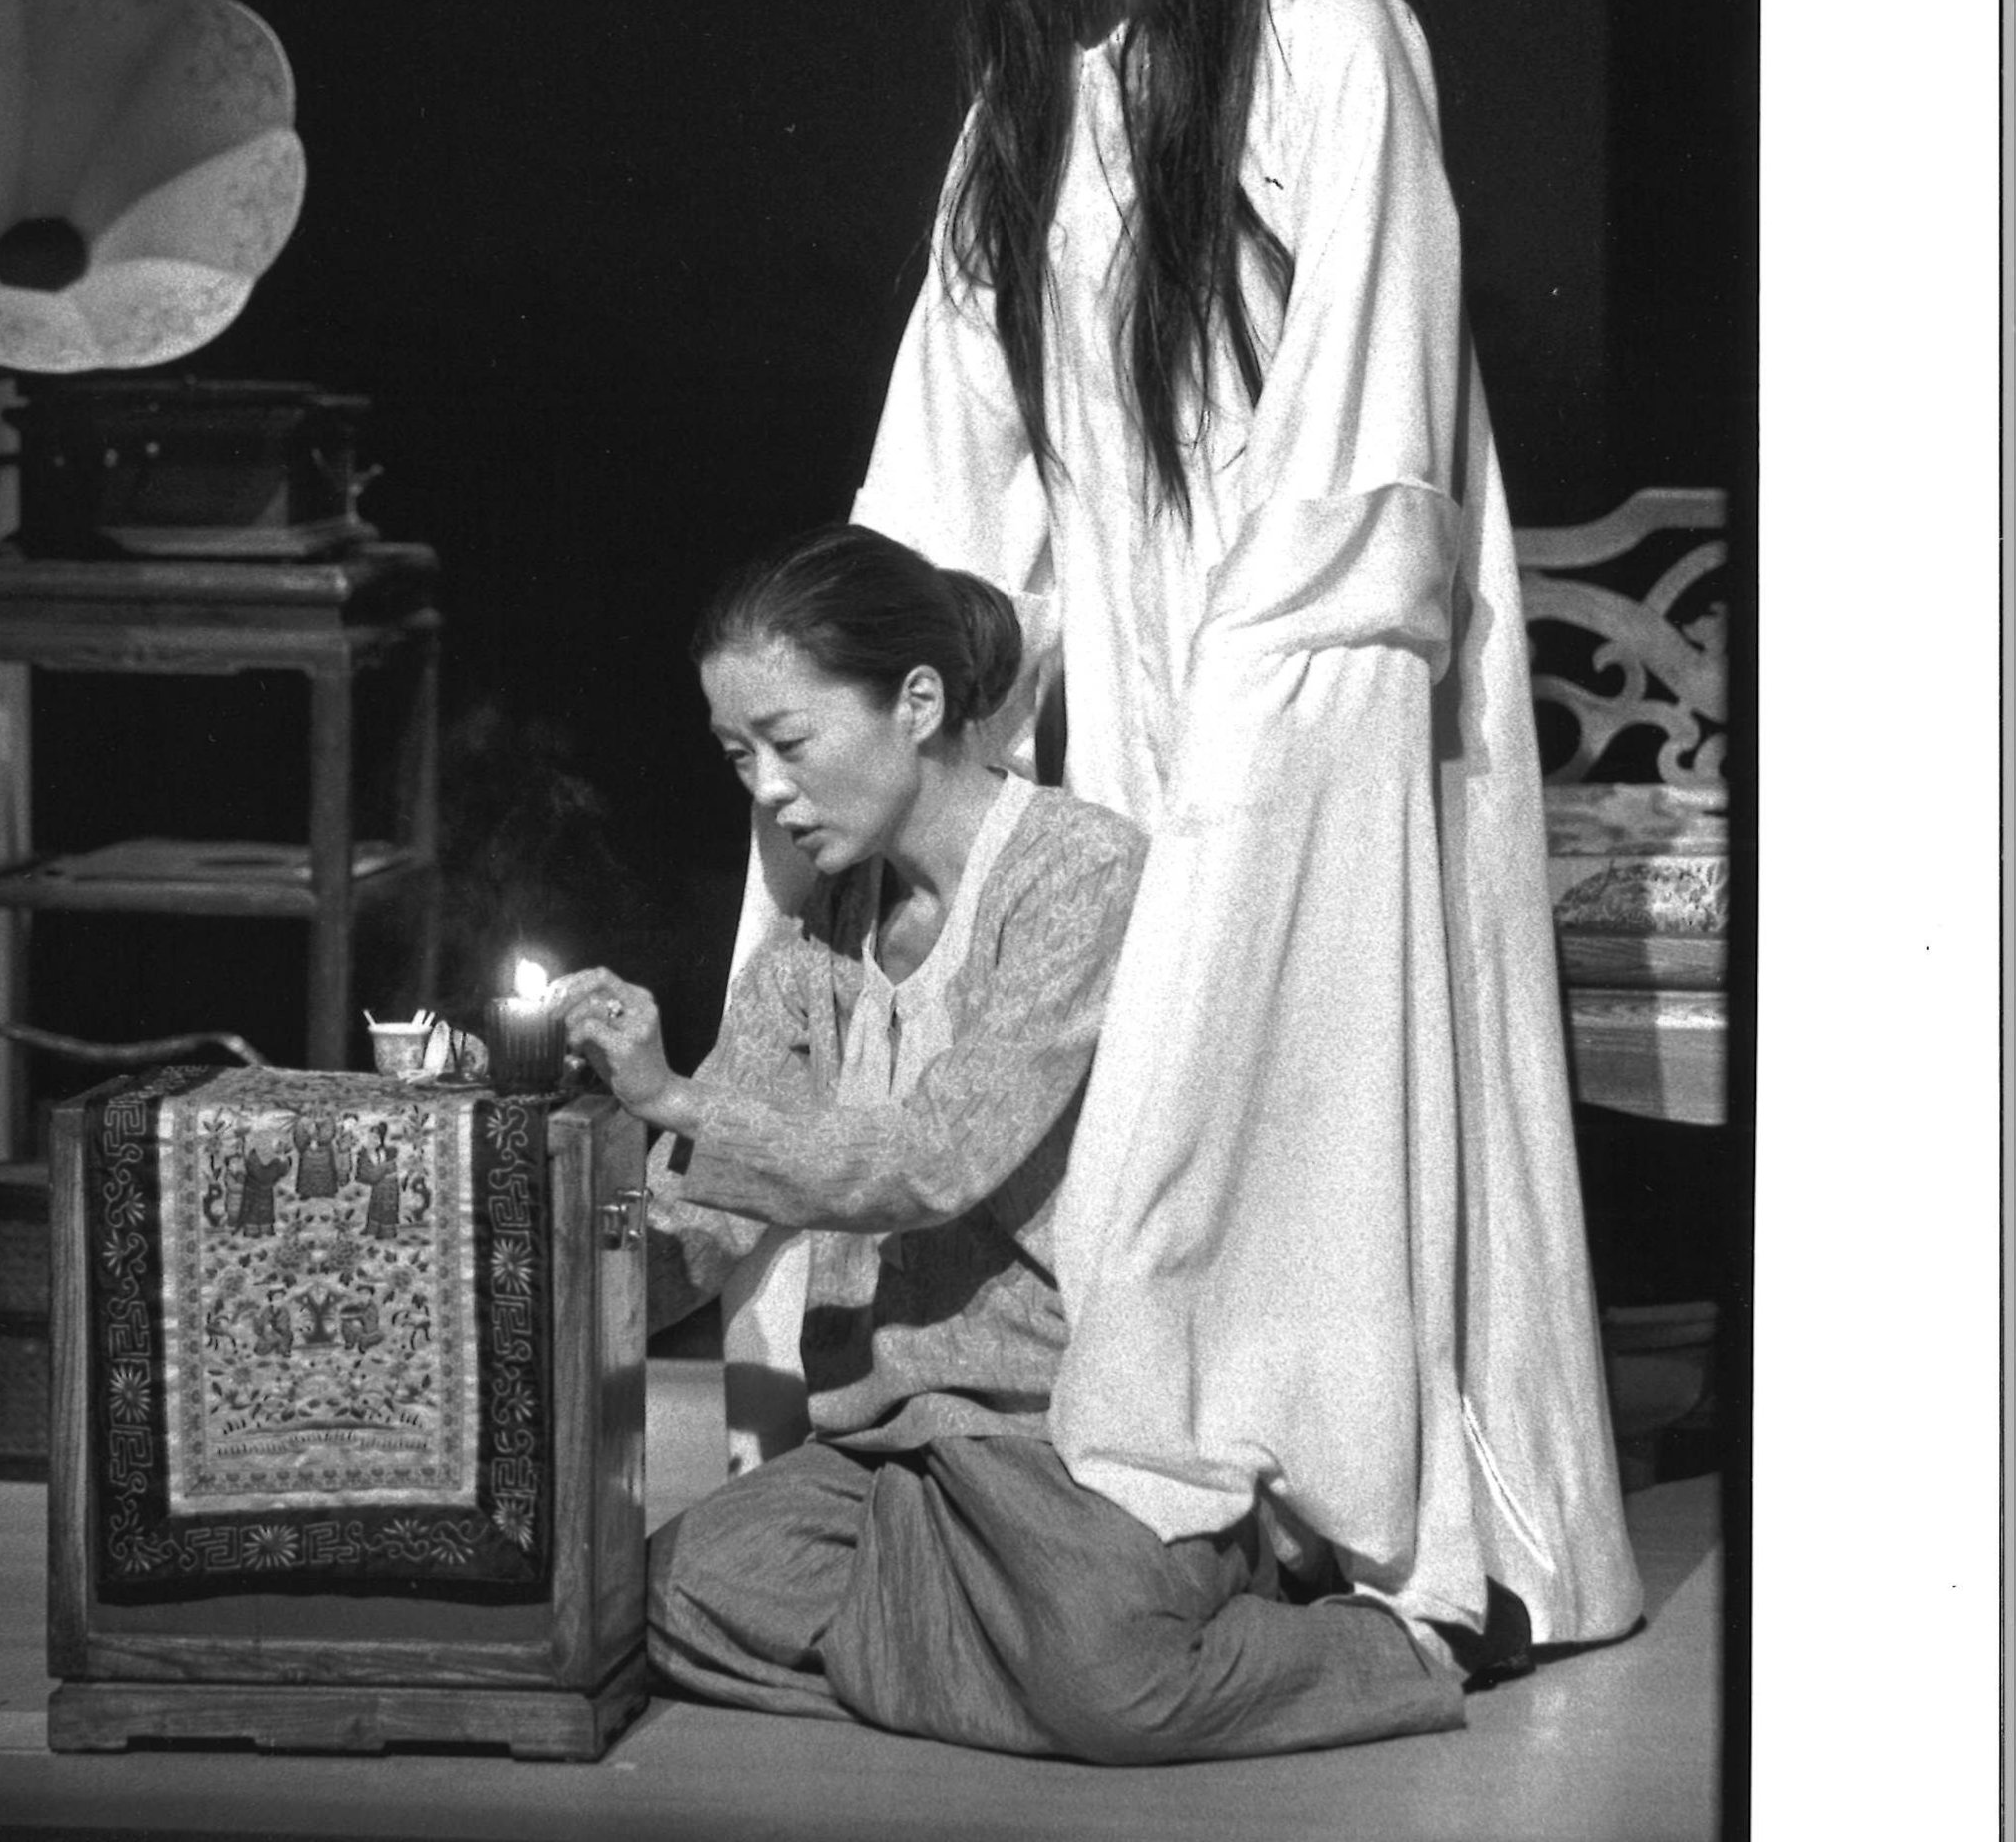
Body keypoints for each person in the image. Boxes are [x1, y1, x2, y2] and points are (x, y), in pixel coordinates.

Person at [720, 0, 1641, 1662]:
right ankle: (1069, 1458)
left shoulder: (1330, 36)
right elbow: (957, 427)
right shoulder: (1038, 89)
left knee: (1265, 1057)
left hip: (1293, 656)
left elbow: (1364, 421)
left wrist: (1272, 708)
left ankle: (1307, 1494)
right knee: (1048, 1029)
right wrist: (891, 666)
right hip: (1098, 658)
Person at [552, 523, 1476, 1764]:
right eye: (737, 757)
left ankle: (1383, 1652)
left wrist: (672, 1102)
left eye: (786, 742)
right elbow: (712, 1219)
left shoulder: (1079, 875)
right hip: (888, 1452)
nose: (765, 789)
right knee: (671, 1597)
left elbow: (937, 1157)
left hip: (1059, 1424)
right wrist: (550, 1228)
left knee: (1114, 1688)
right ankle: (979, 1642)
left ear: (916, 702)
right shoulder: (822, 933)